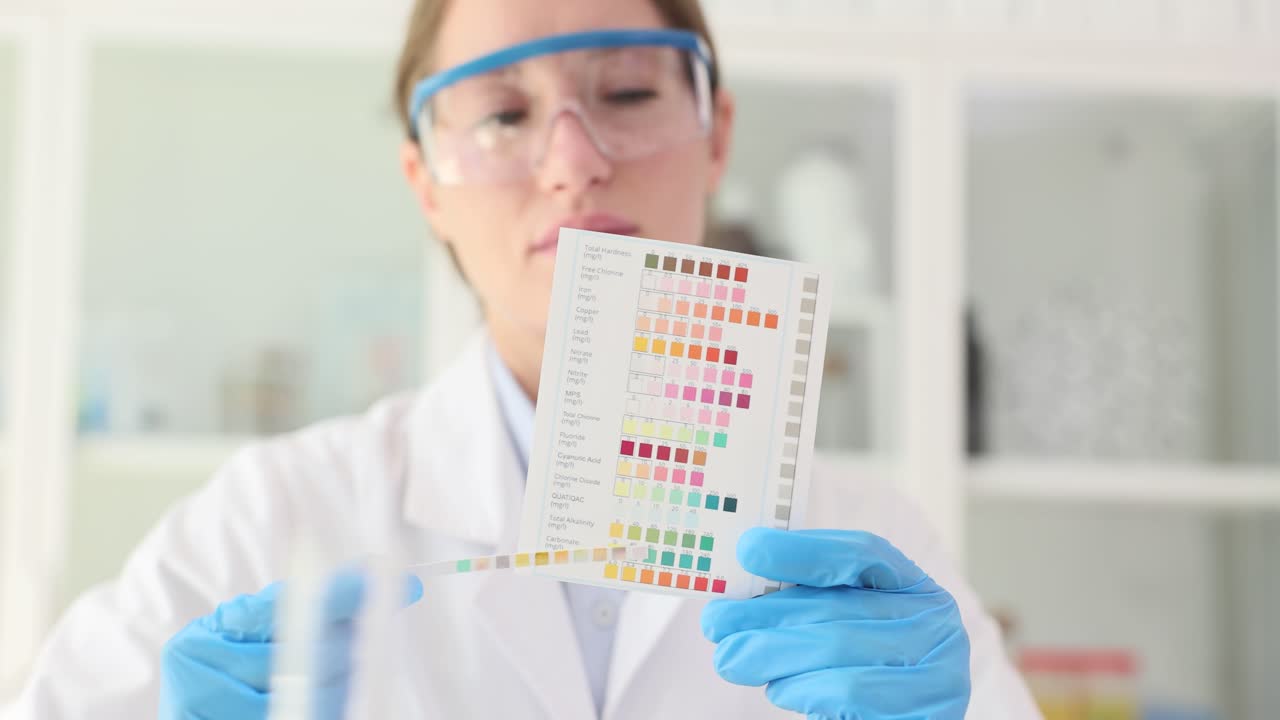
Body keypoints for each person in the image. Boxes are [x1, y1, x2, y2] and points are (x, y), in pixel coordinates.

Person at [2, 1, 1043, 718]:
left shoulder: (871, 544)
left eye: (629, 95)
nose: (575, 160)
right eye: (502, 114)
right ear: (423, 184)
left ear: (716, 134)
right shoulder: (272, 518)